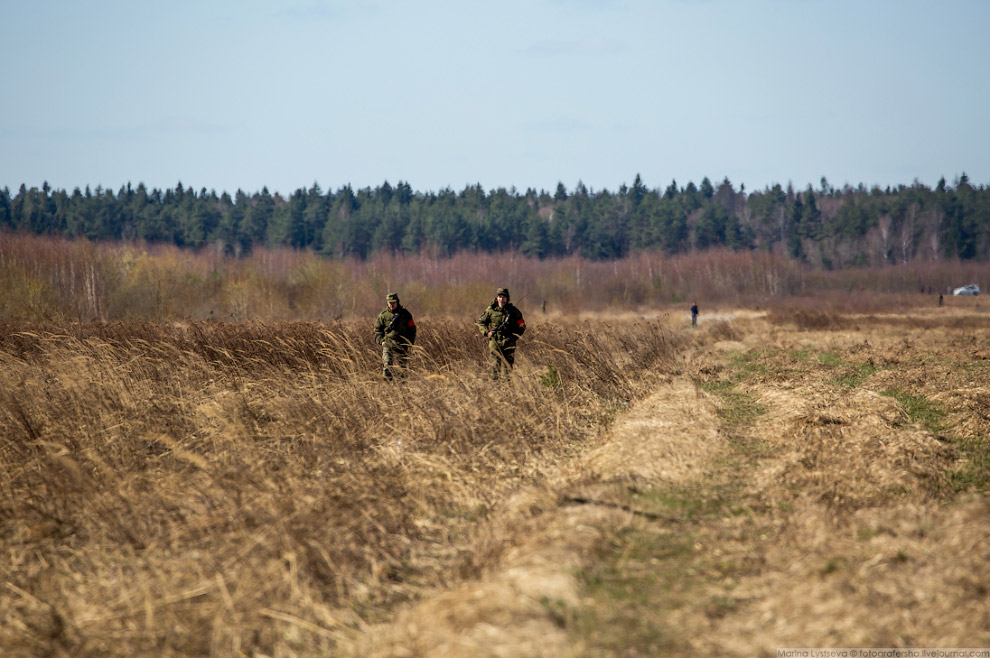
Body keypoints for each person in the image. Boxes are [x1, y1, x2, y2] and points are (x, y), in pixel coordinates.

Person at [476, 287, 526, 380]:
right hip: (495, 342)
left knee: (508, 369)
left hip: (509, 342)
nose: (501, 299)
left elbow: (522, 325)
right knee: (495, 367)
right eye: (499, 297)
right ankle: (496, 389)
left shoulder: (513, 311)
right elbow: (481, 323)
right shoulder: (490, 310)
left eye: (503, 297)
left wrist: (513, 337)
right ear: (497, 298)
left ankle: (508, 390)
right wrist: (487, 333)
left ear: (507, 298)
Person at [374, 292, 416, 380]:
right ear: (387, 303)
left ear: (397, 302)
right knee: (387, 364)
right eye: (390, 303)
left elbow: (412, 329)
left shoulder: (405, 314)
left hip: (402, 344)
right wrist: (381, 341)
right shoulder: (383, 315)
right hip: (388, 343)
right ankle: (386, 387)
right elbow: (377, 331)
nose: (392, 305)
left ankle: (402, 387)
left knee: (402, 368)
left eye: (393, 303)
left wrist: (409, 343)